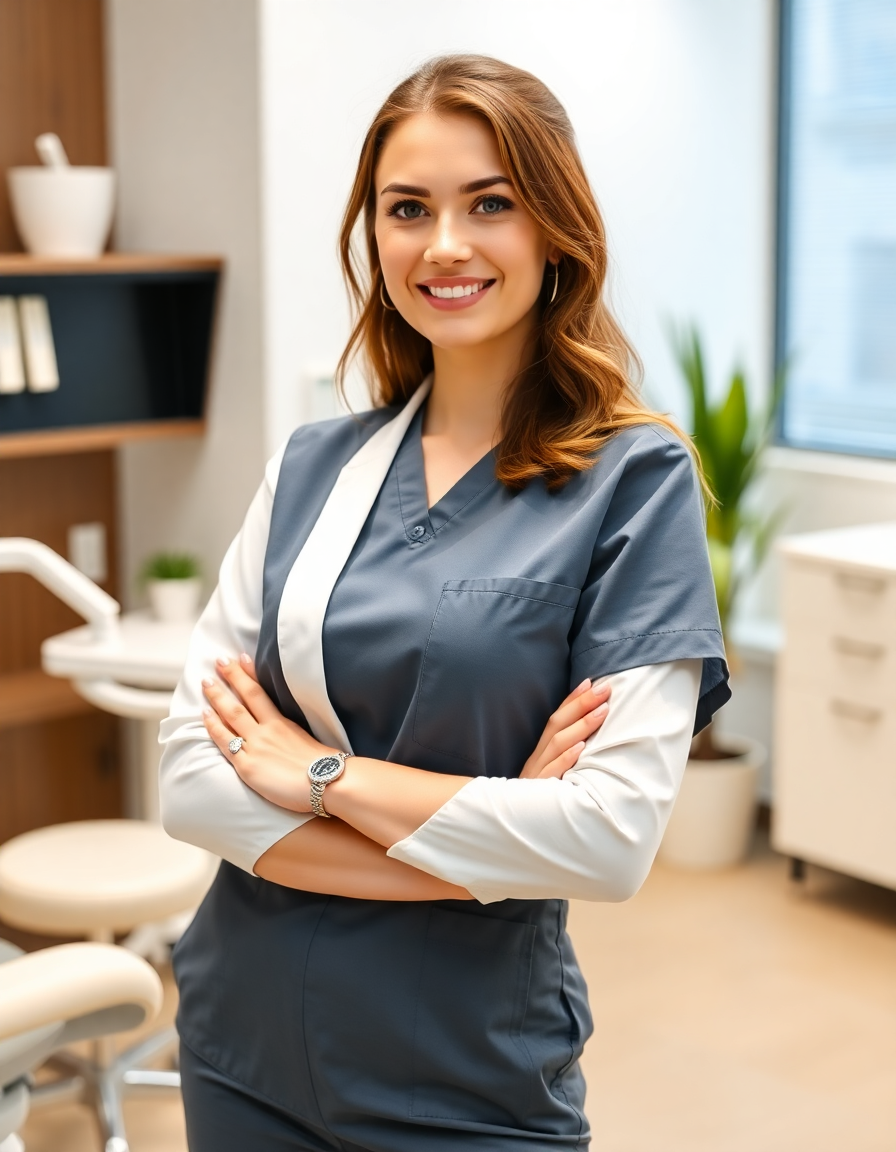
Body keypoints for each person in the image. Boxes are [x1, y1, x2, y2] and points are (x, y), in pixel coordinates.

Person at [159, 54, 729, 1152]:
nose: (445, 245)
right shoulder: (312, 466)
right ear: (373, 235)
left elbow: (604, 841)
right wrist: (490, 835)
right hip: (243, 1043)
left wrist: (320, 773)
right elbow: (189, 782)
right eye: (406, 209)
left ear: (553, 227)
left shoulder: (631, 484)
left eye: (490, 204)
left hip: (463, 1081)